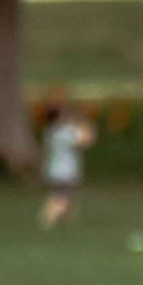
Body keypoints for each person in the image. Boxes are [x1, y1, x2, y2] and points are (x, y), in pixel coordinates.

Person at [37, 90, 93, 228]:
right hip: (64, 171)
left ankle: (67, 225)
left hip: (55, 170)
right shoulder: (63, 133)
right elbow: (86, 139)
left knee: (67, 197)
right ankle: (47, 219)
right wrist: (83, 123)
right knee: (63, 198)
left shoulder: (51, 132)